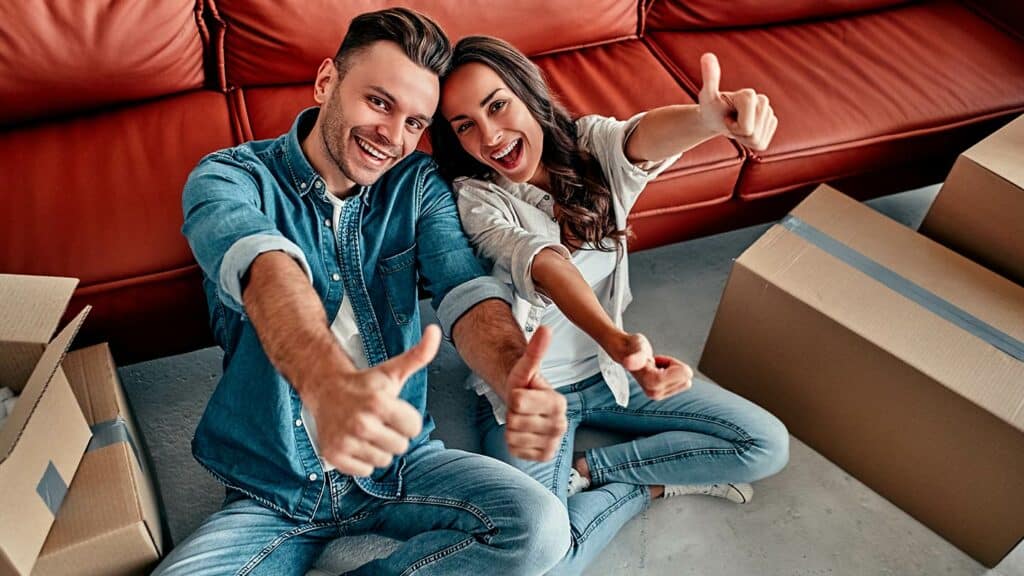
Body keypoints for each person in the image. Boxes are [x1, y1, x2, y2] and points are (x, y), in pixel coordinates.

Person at [153, 11, 575, 576]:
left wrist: (511, 373)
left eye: (414, 122)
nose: (392, 136)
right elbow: (268, 270)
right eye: (379, 102)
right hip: (274, 486)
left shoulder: (418, 183)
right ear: (327, 81)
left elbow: (465, 291)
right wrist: (329, 387)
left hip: (402, 463)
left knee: (542, 528)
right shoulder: (229, 179)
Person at [431, 35, 790, 575]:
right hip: (528, 394)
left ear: (529, 92)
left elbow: (641, 137)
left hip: (607, 376)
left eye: (497, 104)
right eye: (464, 125)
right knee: (541, 561)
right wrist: (616, 340)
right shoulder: (476, 197)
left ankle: (594, 469)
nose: (490, 135)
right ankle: (643, 489)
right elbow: (546, 264)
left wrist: (706, 121)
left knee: (765, 444)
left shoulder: (590, 144)